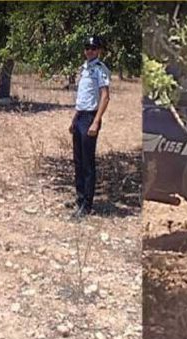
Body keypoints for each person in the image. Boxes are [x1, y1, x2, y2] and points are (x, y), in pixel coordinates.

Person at [69, 36, 111, 217]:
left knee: (87, 163)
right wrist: (74, 120)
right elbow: (83, 99)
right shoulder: (84, 69)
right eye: (87, 48)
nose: (90, 51)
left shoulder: (100, 70)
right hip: (80, 117)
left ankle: (87, 205)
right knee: (78, 161)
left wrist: (96, 121)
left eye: (93, 48)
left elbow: (105, 96)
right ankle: (79, 199)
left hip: (90, 118)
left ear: (99, 50)